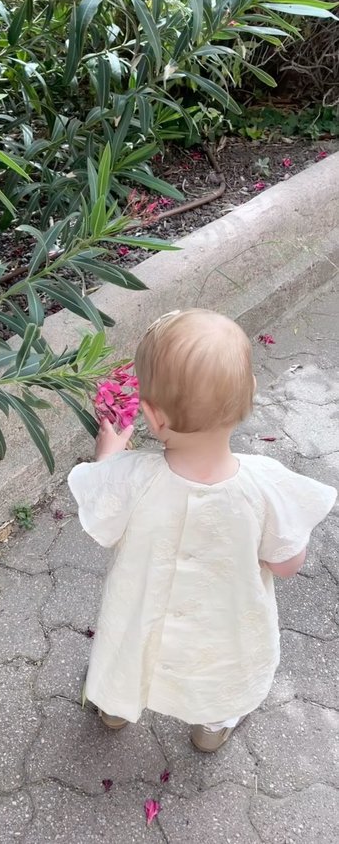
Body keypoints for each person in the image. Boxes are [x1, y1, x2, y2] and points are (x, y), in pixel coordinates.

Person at [68, 309, 337, 752]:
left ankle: (115, 709)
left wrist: (109, 453)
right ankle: (210, 730)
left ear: (152, 417)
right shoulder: (266, 486)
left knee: (128, 656)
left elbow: (103, 510)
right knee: (219, 677)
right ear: (250, 393)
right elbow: (288, 564)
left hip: (143, 613)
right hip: (224, 626)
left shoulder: (134, 477)